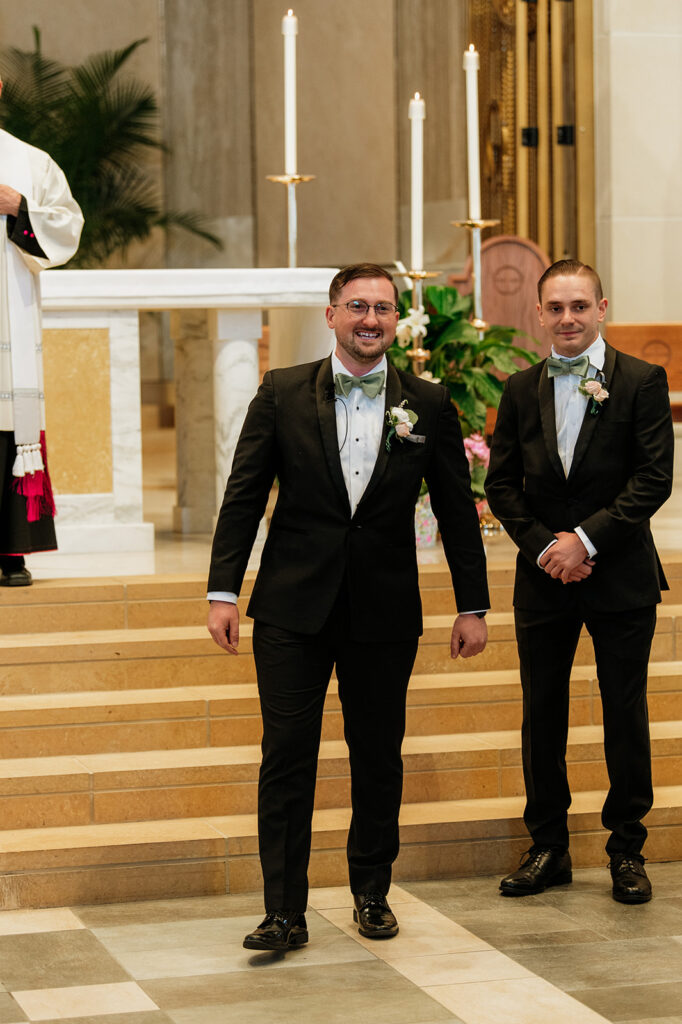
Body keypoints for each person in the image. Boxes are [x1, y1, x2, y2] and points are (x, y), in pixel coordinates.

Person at [207, 263, 489, 950]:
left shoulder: (427, 401)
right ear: (332, 314)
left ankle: (371, 891)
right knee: (288, 755)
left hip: (385, 609)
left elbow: (457, 510)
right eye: (357, 305)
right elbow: (244, 496)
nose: (371, 319)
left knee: (377, 754)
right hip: (291, 608)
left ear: (398, 322)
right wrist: (223, 591)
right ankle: (283, 911)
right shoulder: (280, 393)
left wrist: (472, 604)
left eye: (384, 309)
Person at [485, 259, 674, 904]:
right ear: (539, 314)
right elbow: (502, 485)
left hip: (619, 572)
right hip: (544, 578)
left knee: (625, 709)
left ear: (601, 308)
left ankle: (627, 848)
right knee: (543, 712)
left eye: (579, 306)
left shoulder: (642, 381)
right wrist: (547, 548)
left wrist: (585, 541)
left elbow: (653, 478)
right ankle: (548, 847)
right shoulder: (517, 389)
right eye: (556, 308)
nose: (568, 318)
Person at [0, 76, 84, 586]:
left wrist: (20, 210)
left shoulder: (29, 162)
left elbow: (67, 226)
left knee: (8, 422)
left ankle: (9, 552)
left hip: (9, 316)